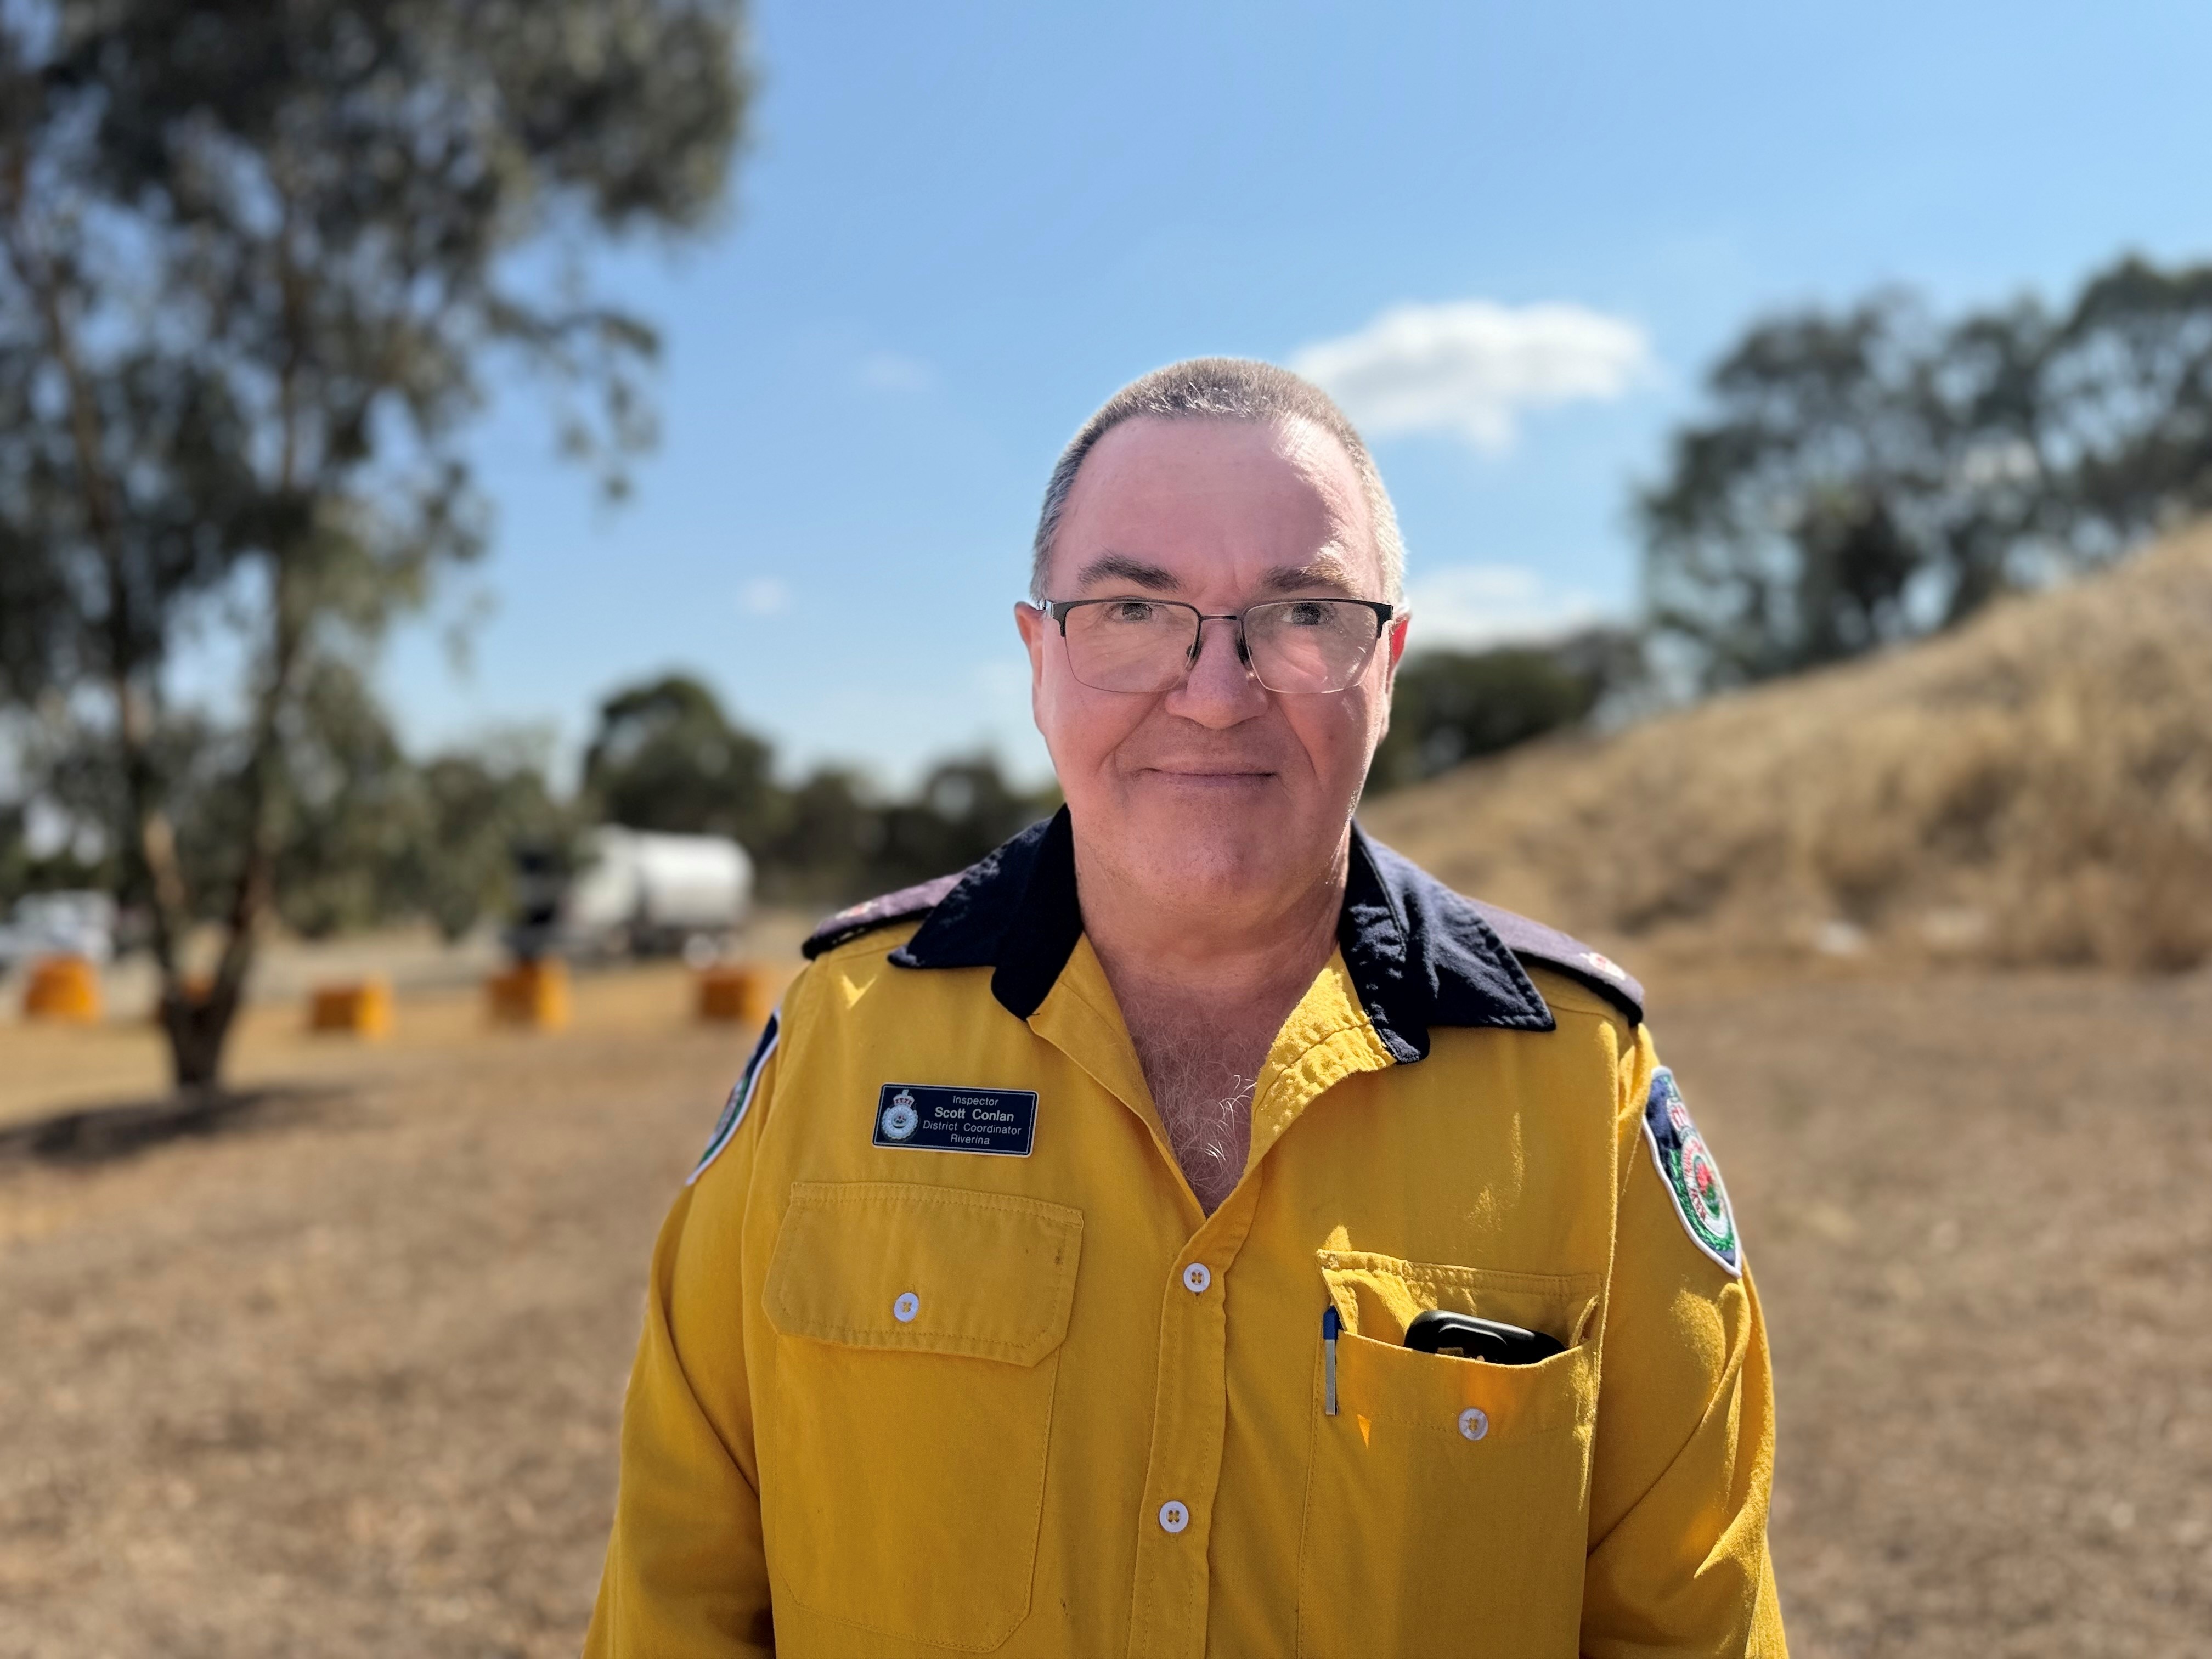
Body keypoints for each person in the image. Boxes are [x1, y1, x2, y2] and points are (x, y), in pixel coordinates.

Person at [585, 358, 1786, 1657]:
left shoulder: (1578, 1086)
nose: (1216, 693)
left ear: (1386, 663)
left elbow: (1690, 1624)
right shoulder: (839, 1036)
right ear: (1039, 658)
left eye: (1303, 613)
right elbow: (678, 1593)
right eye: (1132, 610)